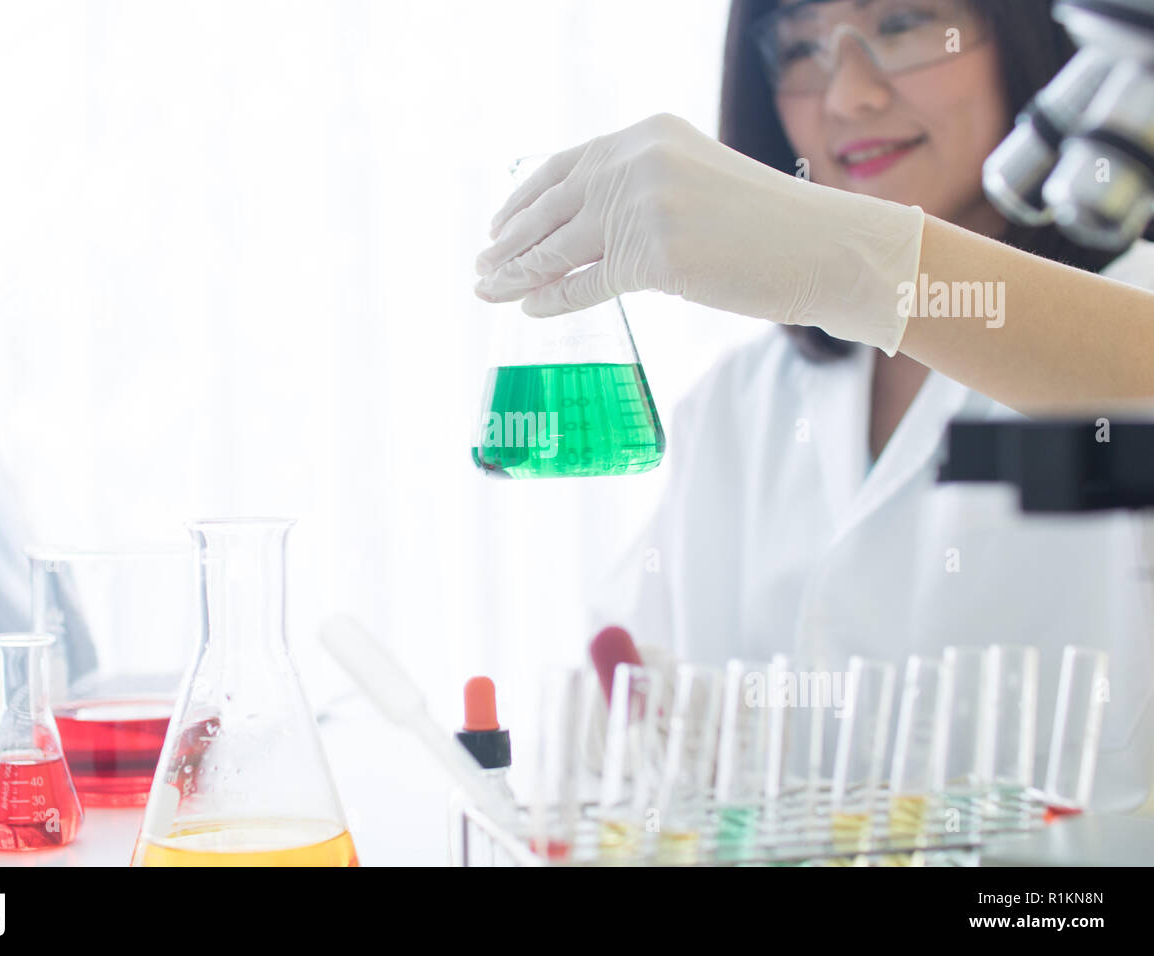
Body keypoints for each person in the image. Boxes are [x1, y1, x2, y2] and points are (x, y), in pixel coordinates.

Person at [476, 0, 1154, 811]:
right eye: (799, 47)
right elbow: (633, 665)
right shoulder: (741, 403)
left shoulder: (1131, 315)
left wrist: (860, 265)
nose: (848, 95)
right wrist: (629, 736)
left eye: (904, 24)